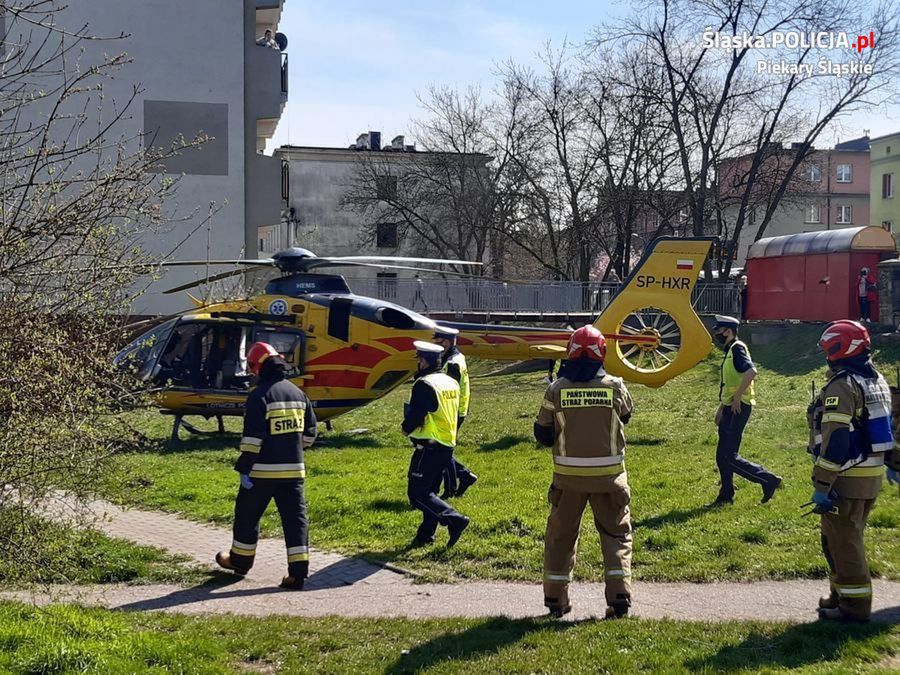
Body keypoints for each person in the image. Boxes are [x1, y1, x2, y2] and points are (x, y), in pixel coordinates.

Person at [534, 325, 635, 620]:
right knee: (616, 536)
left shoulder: (556, 390)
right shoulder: (616, 386)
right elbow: (627, 415)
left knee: (560, 538)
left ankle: (556, 600)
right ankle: (619, 599)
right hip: (610, 479)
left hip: (568, 482)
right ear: (602, 352)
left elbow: (542, 433)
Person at [808, 320, 898, 621]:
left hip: (846, 477)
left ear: (838, 349)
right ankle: (838, 596)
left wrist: (822, 483)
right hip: (869, 477)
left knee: (845, 543)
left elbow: (837, 440)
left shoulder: (843, 385)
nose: (825, 355)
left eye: (827, 349)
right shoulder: (876, 380)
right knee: (835, 539)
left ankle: (854, 608)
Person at [216, 342, 317, 590]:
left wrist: (244, 468)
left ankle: (240, 562)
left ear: (258, 368)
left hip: (261, 473)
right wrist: (291, 449)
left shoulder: (259, 396)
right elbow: (310, 433)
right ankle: (298, 574)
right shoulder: (297, 393)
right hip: (294, 472)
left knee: (247, 517)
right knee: (296, 522)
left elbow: (253, 439)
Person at [402, 340, 469, 547]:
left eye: (418, 360)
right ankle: (425, 535)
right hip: (447, 443)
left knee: (417, 493)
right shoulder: (450, 382)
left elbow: (418, 413)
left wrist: (405, 428)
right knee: (430, 491)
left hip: (428, 445)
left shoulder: (425, 384)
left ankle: (454, 519)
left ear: (423, 361)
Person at [709, 315, 781, 507]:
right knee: (721, 455)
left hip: (738, 407)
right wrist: (721, 408)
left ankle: (767, 479)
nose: (716, 334)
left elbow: (751, 372)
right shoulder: (730, 350)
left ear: (728, 331)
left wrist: (738, 398)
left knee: (728, 456)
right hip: (730, 407)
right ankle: (726, 495)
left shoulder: (737, 348)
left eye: (718, 330)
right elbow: (729, 383)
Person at [433, 326, 478, 498]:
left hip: (451, 412)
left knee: (442, 452)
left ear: (448, 342)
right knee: (442, 450)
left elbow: (449, 391)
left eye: (439, 342)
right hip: (455, 410)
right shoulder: (455, 357)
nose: (437, 345)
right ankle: (465, 476)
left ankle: (451, 489)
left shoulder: (452, 362)